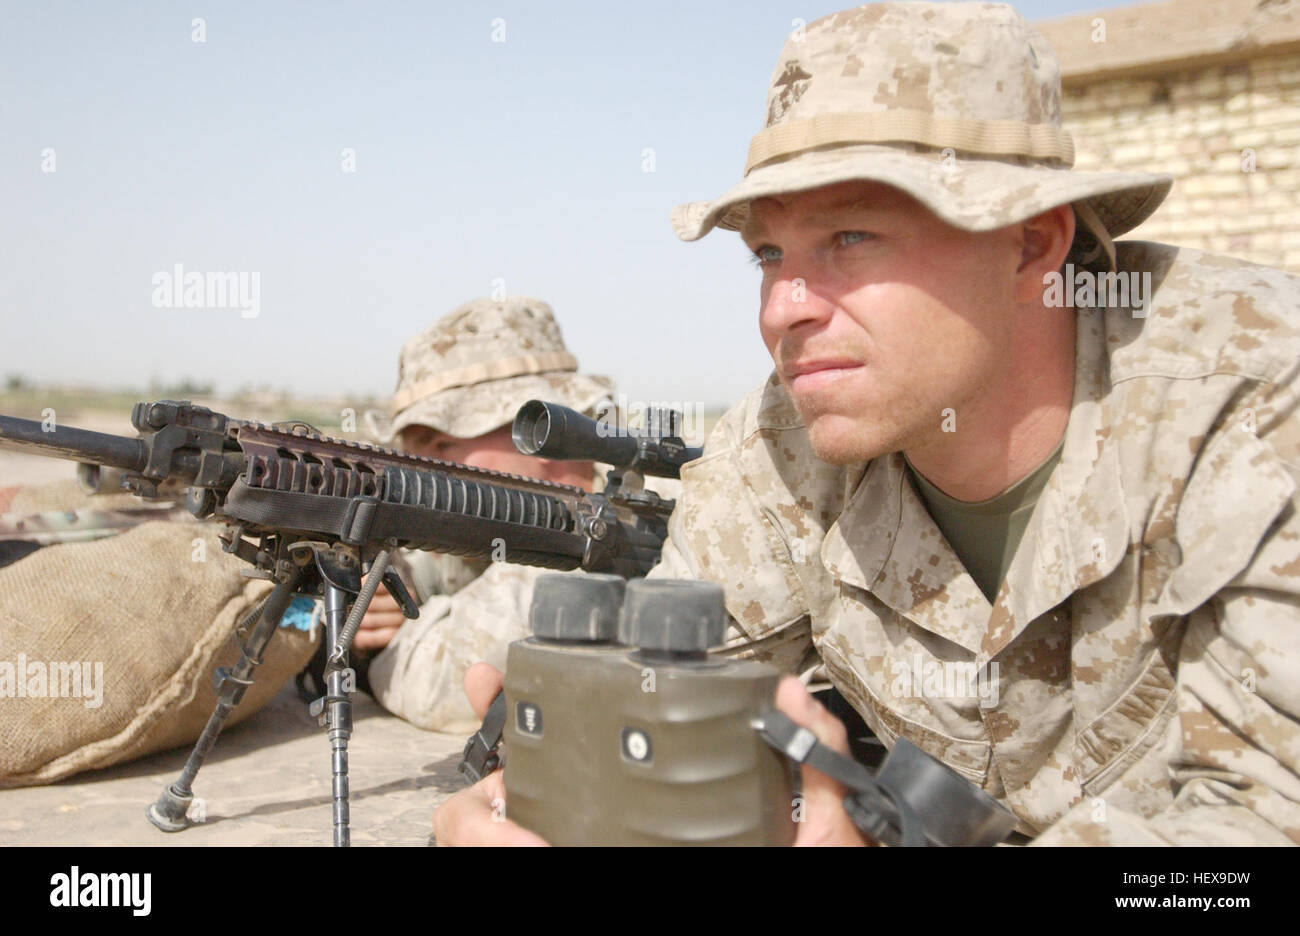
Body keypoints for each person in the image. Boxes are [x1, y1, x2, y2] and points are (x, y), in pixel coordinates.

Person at [434, 1, 1300, 845]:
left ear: (1032, 242)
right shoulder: (781, 449)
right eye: (768, 254)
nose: (783, 308)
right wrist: (550, 799)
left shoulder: (1257, 403)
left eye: (850, 236)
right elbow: (666, 710)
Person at [329, 295, 616, 732]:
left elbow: (445, 686)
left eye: (443, 444)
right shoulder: (510, 525)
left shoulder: (615, 529)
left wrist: (379, 650)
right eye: (412, 450)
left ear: (544, 431)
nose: (420, 472)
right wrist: (378, 600)